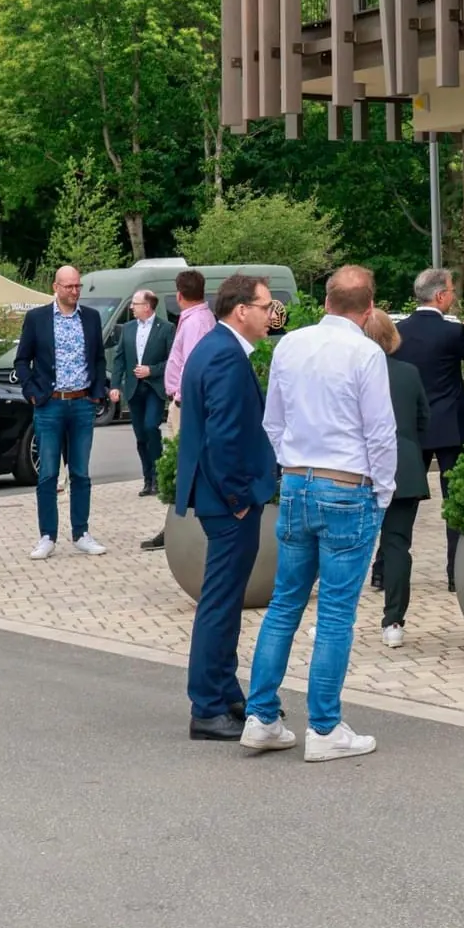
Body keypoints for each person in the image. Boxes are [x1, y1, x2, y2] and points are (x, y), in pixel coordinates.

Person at [241, 264, 397, 762]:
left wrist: (289, 468)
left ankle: (262, 715)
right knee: (334, 613)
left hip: (298, 480)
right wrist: (384, 491)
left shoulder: (290, 345)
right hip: (348, 485)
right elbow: (380, 432)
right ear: (368, 309)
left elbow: (273, 422)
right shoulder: (366, 353)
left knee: (286, 603)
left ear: (326, 300)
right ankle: (325, 726)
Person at [177, 273, 279, 741]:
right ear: (241, 310)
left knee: (227, 600)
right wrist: (239, 498)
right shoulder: (224, 354)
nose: (270, 314)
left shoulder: (220, 348)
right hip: (228, 501)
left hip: (224, 498)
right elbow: (224, 437)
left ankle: (224, 688)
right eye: (265, 306)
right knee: (219, 603)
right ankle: (207, 705)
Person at [394, 265, 464, 589]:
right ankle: (455, 573)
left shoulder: (399, 331)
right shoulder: (453, 332)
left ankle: (387, 570)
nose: (454, 296)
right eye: (452, 290)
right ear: (440, 296)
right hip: (452, 424)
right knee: (456, 499)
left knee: (403, 500)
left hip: (413, 424)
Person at [16, 264, 109, 559]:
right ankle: (47, 535)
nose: (74, 291)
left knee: (80, 472)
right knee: (48, 473)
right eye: (68, 286)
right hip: (50, 403)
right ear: (55, 287)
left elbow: (98, 359)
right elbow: (22, 360)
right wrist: (32, 392)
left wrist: (96, 393)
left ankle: (81, 532)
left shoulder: (91, 318)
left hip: (82, 402)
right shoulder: (37, 319)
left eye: (78, 286)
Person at [366, 307, 430, 648]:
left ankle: (336, 619)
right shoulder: (408, 373)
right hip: (403, 465)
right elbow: (423, 419)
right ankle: (393, 621)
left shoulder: (352, 371)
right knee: (398, 545)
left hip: (358, 467)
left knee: (347, 547)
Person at [145, 270, 216, 550]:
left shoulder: (197, 322)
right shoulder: (194, 318)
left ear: (178, 295)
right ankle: (179, 523)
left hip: (187, 404)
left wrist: (182, 398)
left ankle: (183, 525)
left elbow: (193, 365)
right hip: (182, 401)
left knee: (185, 465)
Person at [109, 287, 172, 495]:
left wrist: (151, 370)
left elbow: (172, 361)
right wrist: (115, 386)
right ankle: (147, 478)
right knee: (140, 435)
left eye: (135, 304)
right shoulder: (127, 328)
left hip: (154, 388)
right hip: (134, 389)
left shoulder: (166, 328)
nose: (131, 307)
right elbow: (119, 359)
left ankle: (158, 475)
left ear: (147, 307)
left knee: (150, 427)